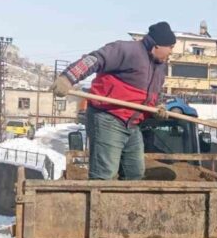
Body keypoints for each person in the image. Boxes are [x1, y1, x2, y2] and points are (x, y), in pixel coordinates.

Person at [51, 21, 176, 180]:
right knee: (105, 174)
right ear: (158, 45)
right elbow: (94, 59)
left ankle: (126, 205)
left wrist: (157, 108)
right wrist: (68, 78)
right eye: (171, 47)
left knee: (135, 173)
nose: (171, 52)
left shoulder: (160, 68)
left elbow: (153, 96)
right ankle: (98, 203)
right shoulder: (127, 50)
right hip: (108, 117)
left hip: (133, 124)